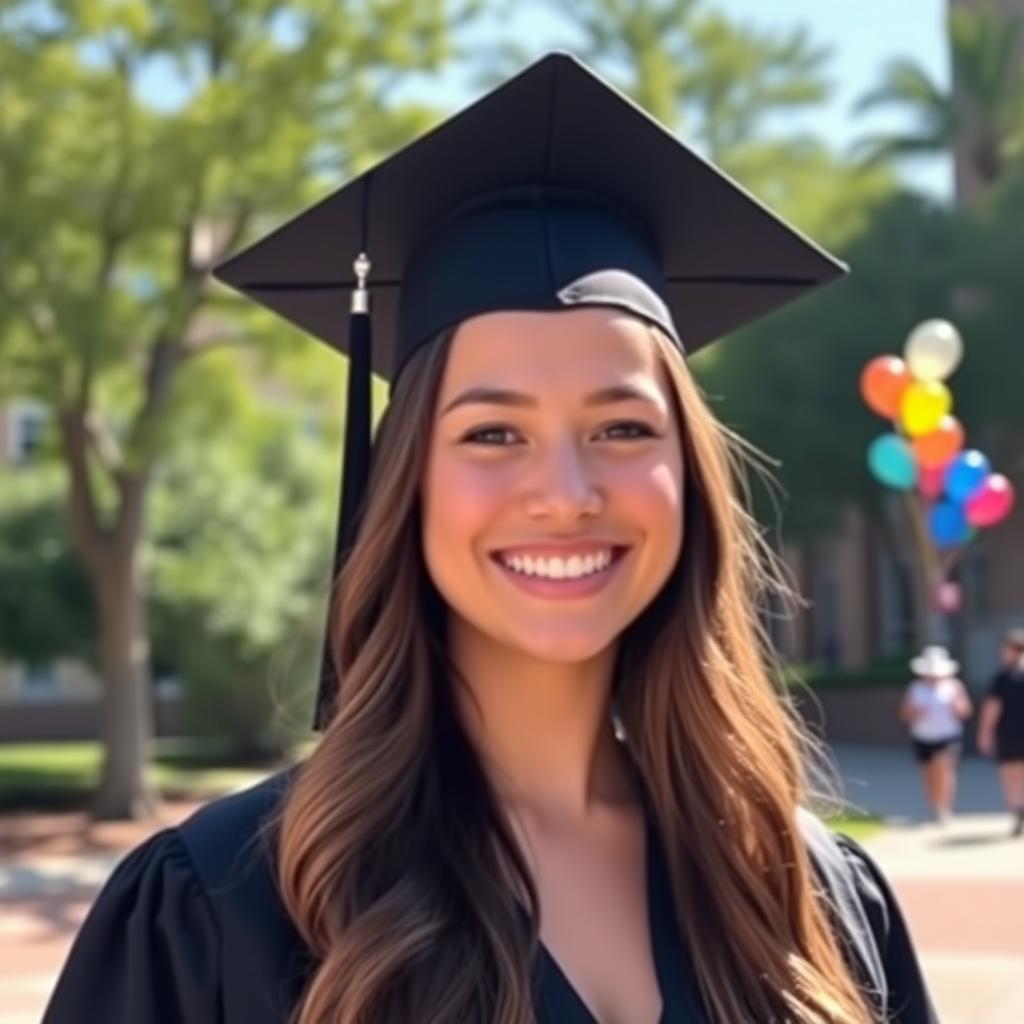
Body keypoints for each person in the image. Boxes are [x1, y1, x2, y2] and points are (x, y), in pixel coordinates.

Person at [43, 54, 937, 1024]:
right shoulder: (229, 905)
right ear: (406, 482)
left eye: (622, 428)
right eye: (492, 433)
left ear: (690, 476)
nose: (565, 492)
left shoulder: (808, 896)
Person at [900, 645, 973, 824]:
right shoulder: (915, 688)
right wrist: (915, 712)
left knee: (944, 769)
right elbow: (904, 714)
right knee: (929, 773)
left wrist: (957, 707)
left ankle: (945, 807)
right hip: (923, 735)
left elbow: (966, 711)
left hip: (947, 735)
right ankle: (934, 806)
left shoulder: (954, 687)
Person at [977, 627, 1024, 837]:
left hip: (1009, 733)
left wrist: (985, 733)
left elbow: (992, 708)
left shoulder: (1003, 678)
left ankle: (1017, 809)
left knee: (1010, 775)